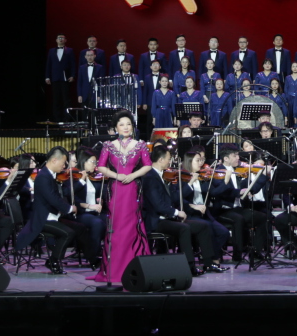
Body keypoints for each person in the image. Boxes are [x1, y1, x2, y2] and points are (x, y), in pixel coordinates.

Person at [89, 113, 154, 285]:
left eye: (128, 124)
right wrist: (117, 176)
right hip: (116, 190)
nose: (125, 127)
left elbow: (148, 165)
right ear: (116, 128)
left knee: (132, 227)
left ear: (132, 127)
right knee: (115, 228)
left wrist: (133, 175)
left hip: (132, 190)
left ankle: (135, 267)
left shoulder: (140, 145)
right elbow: (100, 166)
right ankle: (113, 271)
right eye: (122, 124)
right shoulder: (108, 146)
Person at [141, 143, 221, 275]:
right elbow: (158, 205)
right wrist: (177, 212)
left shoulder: (162, 175)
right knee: (184, 228)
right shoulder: (150, 178)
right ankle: (189, 267)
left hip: (167, 218)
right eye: (168, 159)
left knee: (203, 226)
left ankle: (208, 263)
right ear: (161, 160)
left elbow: (172, 198)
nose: (170, 162)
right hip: (157, 221)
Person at [43, 34, 76, 118]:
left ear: (65, 40)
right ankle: (57, 119)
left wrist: (72, 75)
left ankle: (67, 119)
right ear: (56, 40)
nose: (61, 39)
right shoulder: (51, 51)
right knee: (56, 99)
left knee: (66, 99)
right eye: (59, 38)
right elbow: (49, 64)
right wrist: (47, 76)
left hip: (65, 78)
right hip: (55, 78)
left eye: (62, 38)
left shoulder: (70, 50)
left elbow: (73, 64)